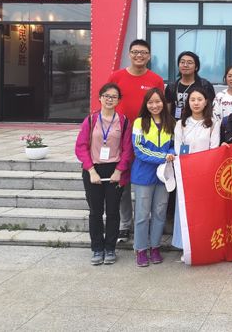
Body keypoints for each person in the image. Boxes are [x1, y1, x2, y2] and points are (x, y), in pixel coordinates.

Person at [108, 39, 164, 243]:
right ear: (129, 54)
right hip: (121, 136)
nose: (139, 55)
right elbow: (108, 102)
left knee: (147, 182)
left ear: (149, 56)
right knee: (122, 181)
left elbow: (160, 107)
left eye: (143, 52)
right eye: (135, 52)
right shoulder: (116, 76)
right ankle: (125, 224)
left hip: (147, 138)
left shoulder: (156, 79)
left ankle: (146, 223)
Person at [75, 83, 132, 266]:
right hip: (93, 170)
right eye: (106, 96)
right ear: (100, 98)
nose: (109, 99)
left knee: (113, 211)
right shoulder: (91, 120)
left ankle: (110, 248)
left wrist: (119, 171)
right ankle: (97, 248)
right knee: (95, 212)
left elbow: (127, 150)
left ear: (118, 100)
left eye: (113, 97)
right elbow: (80, 147)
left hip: (115, 170)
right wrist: (91, 170)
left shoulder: (123, 121)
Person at [131, 87, 176, 267]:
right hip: (143, 175)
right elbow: (138, 149)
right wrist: (163, 156)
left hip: (164, 175)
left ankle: (155, 247)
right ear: (146, 104)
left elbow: (173, 144)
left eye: (158, 101)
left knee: (159, 212)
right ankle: (141, 249)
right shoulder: (139, 122)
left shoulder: (170, 122)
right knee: (142, 214)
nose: (154, 105)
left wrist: (171, 153)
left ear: (163, 103)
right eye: (150, 102)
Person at [173, 87, 220, 254]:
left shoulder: (213, 124)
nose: (196, 103)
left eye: (199, 99)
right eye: (192, 100)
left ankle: (202, 245)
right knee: (185, 210)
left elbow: (214, 149)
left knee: (203, 211)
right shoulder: (181, 124)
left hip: (204, 174)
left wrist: (202, 167)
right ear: (188, 102)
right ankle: (185, 246)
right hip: (186, 174)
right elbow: (178, 149)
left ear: (206, 102)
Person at [165, 51, 216, 121]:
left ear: (196, 67)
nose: (185, 65)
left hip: (199, 124)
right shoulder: (171, 87)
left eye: (189, 63)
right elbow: (167, 111)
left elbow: (211, 108)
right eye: (182, 62)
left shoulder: (205, 85)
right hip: (175, 125)